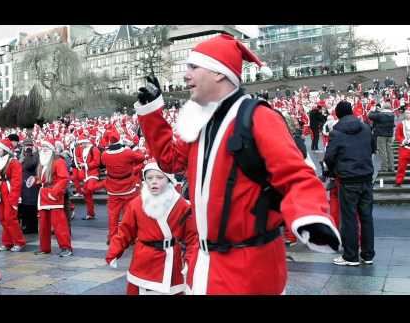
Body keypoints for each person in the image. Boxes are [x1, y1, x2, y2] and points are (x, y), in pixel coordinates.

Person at [134, 34, 340, 295]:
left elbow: (297, 175)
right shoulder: (199, 120)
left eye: (193, 67)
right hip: (204, 264)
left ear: (219, 73)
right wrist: (151, 111)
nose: (186, 75)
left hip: (249, 269)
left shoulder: (259, 117)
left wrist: (311, 217)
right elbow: (170, 160)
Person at [106, 161, 198, 295]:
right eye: (149, 178)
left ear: (168, 180)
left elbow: (192, 237)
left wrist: (191, 261)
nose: (154, 182)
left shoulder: (181, 205)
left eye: (159, 177)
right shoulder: (136, 204)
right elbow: (125, 232)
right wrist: (114, 252)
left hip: (171, 260)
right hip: (144, 259)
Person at [324, 101, 375, 266]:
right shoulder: (366, 128)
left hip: (347, 179)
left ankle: (350, 256)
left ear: (338, 115)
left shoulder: (336, 132)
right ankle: (368, 255)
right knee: (366, 217)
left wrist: (333, 171)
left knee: (349, 219)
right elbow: (373, 148)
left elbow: (329, 157)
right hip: (366, 177)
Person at [101, 129, 146, 244]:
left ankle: (112, 237)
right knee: (128, 214)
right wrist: (133, 146)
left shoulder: (104, 155)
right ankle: (129, 236)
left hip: (113, 188)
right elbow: (141, 158)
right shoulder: (127, 152)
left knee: (113, 216)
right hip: (128, 187)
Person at [34, 138, 73, 257]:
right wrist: (35, 180)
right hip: (44, 194)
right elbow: (42, 179)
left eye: (46, 147)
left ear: (51, 149)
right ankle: (44, 247)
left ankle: (66, 247)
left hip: (54, 195)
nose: (43, 149)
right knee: (43, 224)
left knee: (59, 224)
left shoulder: (58, 161)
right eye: (42, 147)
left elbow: (64, 179)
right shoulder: (42, 162)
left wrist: (54, 192)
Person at [0, 138, 26, 252]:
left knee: (10, 218)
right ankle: (7, 242)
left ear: (5, 150)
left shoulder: (14, 162)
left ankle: (19, 242)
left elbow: (17, 181)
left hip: (9, 190)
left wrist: (14, 197)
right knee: (2, 218)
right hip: (0, 191)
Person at [368, 102, 396, 173]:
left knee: (383, 151)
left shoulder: (381, 115)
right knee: (389, 151)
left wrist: (372, 110)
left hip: (381, 135)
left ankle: (384, 167)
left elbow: (370, 116)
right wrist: (380, 110)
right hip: (390, 135)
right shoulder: (392, 115)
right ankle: (391, 167)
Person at [19, 139, 39, 234]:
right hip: (22, 184)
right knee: (24, 205)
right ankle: (25, 225)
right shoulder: (21, 156)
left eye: (29, 146)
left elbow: (29, 165)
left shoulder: (34, 156)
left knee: (31, 205)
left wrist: (28, 154)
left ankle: (31, 227)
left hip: (31, 183)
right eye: (26, 146)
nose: (27, 148)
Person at [394, 109, 410, 187]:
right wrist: (402, 141)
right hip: (404, 148)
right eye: (406, 113)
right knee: (401, 166)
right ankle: (398, 182)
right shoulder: (401, 124)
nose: (408, 114)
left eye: (409, 113)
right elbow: (397, 135)